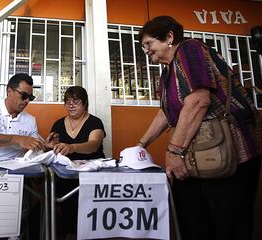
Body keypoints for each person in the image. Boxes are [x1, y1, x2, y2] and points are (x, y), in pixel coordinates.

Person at [136, 16, 262, 240]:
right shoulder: (167, 72)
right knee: (191, 217)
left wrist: (174, 150)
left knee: (228, 224)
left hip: (229, 149)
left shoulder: (189, 50)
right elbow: (165, 113)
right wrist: (140, 145)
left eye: (148, 44)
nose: (146, 50)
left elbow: (198, 101)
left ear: (169, 37)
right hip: (196, 153)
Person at [0, 73, 51, 240]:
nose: (27, 101)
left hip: (15, 176)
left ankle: (15, 235)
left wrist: (46, 145)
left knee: (18, 215)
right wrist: (18, 139)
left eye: (30, 97)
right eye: (23, 95)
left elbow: (35, 142)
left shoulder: (30, 120)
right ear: (9, 91)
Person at [50, 86, 106, 238]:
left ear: (85, 103)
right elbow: (52, 145)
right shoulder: (58, 124)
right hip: (64, 176)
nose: (71, 105)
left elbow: (93, 145)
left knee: (87, 211)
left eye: (76, 101)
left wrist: (72, 147)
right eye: (67, 102)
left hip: (90, 176)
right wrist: (50, 144)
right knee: (62, 207)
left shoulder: (95, 122)